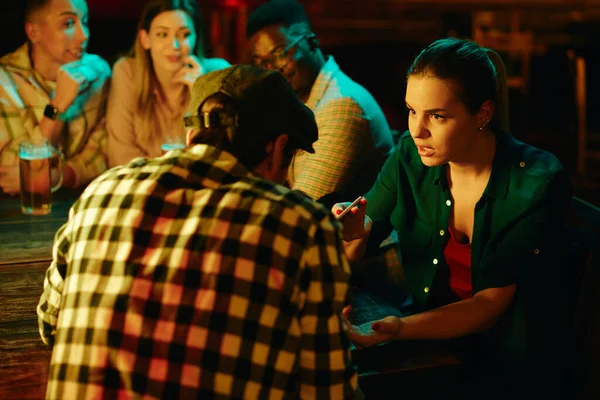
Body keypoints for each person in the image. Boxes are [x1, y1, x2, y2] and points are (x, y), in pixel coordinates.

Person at [37, 65, 358, 399]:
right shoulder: (302, 226)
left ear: (191, 137)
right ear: (276, 148)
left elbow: (50, 324)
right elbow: (330, 390)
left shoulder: (101, 191)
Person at [336, 38, 574, 396]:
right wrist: (354, 233)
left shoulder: (535, 181)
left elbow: (489, 306)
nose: (417, 130)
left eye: (437, 116)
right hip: (433, 345)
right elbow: (365, 227)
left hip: (508, 365)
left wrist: (400, 329)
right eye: (412, 110)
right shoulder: (410, 156)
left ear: (483, 114)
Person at [246, 0, 393, 202]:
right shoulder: (294, 102)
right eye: (261, 63)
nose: (271, 70)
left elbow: (300, 208)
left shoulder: (342, 106)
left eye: (279, 54)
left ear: (312, 42)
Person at [0, 0, 111, 194]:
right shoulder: (5, 81)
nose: (84, 35)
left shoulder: (98, 72)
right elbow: (11, 169)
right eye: (68, 24)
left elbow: (103, 154)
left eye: (85, 22)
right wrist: (58, 105)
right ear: (34, 33)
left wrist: (56, 177)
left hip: (80, 201)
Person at [106, 0, 230, 168]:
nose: (174, 46)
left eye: (184, 34)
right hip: (142, 188)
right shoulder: (127, 72)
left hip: (199, 188)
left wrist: (200, 95)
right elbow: (121, 157)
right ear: (145, 39)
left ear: (196, 37)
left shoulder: (217, 73)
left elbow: (223, 158)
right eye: (163, 35)